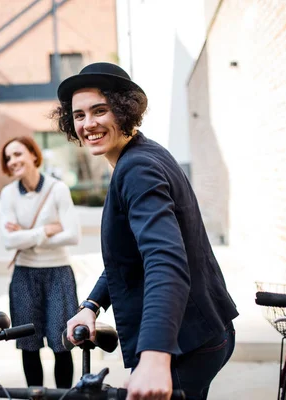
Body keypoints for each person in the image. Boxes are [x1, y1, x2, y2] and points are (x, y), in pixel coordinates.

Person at [53, 63, 239, 400]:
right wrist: (92, 305)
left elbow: (164, 259)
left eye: (99, 110)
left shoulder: (137, 169)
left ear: (124, 110)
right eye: (79, 115)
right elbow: (131, 254)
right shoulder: (141, 155)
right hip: (202, 331)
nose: (88, 123)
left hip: (185, 343)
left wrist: (155, 355)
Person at [0, 136, 81, 388]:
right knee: (29, 346)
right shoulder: (8, 193)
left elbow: (73, 235)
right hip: (24, 276)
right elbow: (8, 241)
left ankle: (64, 397)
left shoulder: (58, 189)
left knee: (62, 345)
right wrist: (45, 231)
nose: (12, 161)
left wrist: (26, 237)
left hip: (58, 274)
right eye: (8, 157)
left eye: (18, 154)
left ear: (34, 155)